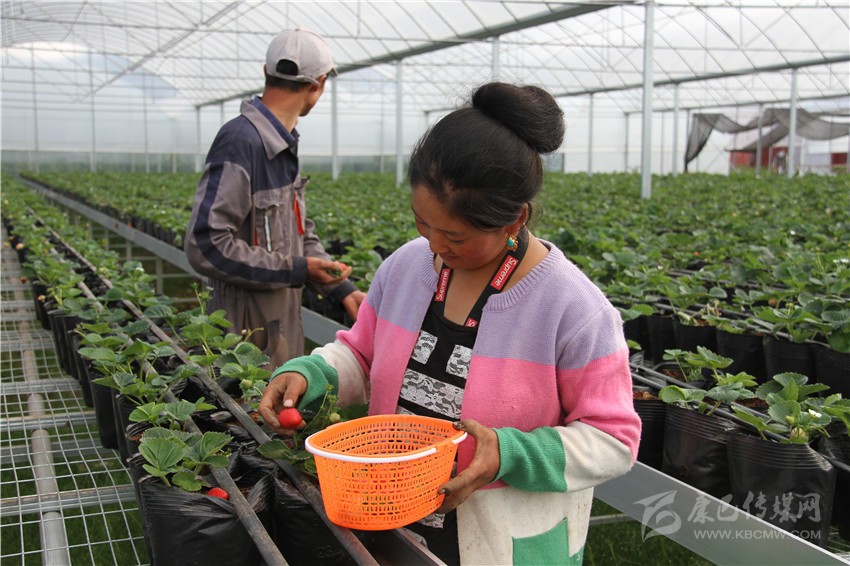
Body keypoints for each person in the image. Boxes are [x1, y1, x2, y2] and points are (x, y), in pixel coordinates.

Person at [259, 82, 641, 565]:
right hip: (390, 517)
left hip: (501, 547)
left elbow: (613, 441)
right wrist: (313, 373)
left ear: (514, 220)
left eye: (456, 236)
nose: (435, 245)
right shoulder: (405, 268)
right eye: (423, 223)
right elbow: (361, 353)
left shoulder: (573, 309)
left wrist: (507, 453)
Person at [184, 29, 366, 369]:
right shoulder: (242, 142)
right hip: (244, 338)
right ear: (319, 83)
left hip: (277, 324)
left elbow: (299, 232)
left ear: (266, 72)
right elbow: (206, 244)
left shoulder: (282, 144)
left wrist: (343, 290)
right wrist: (297, 268)